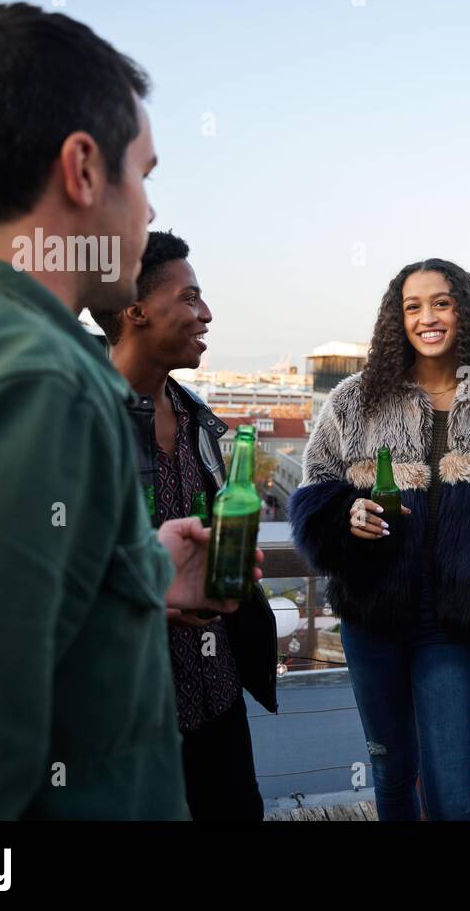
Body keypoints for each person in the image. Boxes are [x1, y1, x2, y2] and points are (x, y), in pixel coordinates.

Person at [0, 2, 255, 819]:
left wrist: (137, 569)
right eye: (143, 174)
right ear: (82, 169)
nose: (146, 212)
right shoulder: (41, 386)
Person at [290, 258, 470, 820]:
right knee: (390, 771)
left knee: (452, 791)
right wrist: (345, 517)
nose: (427, 317)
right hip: (372, 617)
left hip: (454, 626)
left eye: (441, 302)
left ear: (466, 311)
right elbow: (314, 490)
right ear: (397, 318)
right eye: (413, 306)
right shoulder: (354, 400)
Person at [91, 230, 277, 821]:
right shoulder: (76, 418)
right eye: (191, 297)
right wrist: (145, 597)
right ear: (136, 310)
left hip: (216, 693)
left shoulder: (201, 419)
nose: (207, 313)